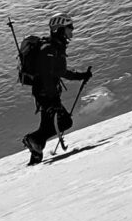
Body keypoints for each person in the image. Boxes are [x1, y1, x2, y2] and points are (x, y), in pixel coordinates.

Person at [21, 13, 92, 165]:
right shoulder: (49, 50)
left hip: (45, 93)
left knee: (47, 126)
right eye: (69, 27)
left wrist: (81, 76)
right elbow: (47, 76)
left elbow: (60, 71)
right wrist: (52, 99)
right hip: (46, 94)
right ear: (59, 29)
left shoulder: (54, 48)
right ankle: (33, 141)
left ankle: (36, 154)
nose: (72, 30)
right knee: (64, 122)